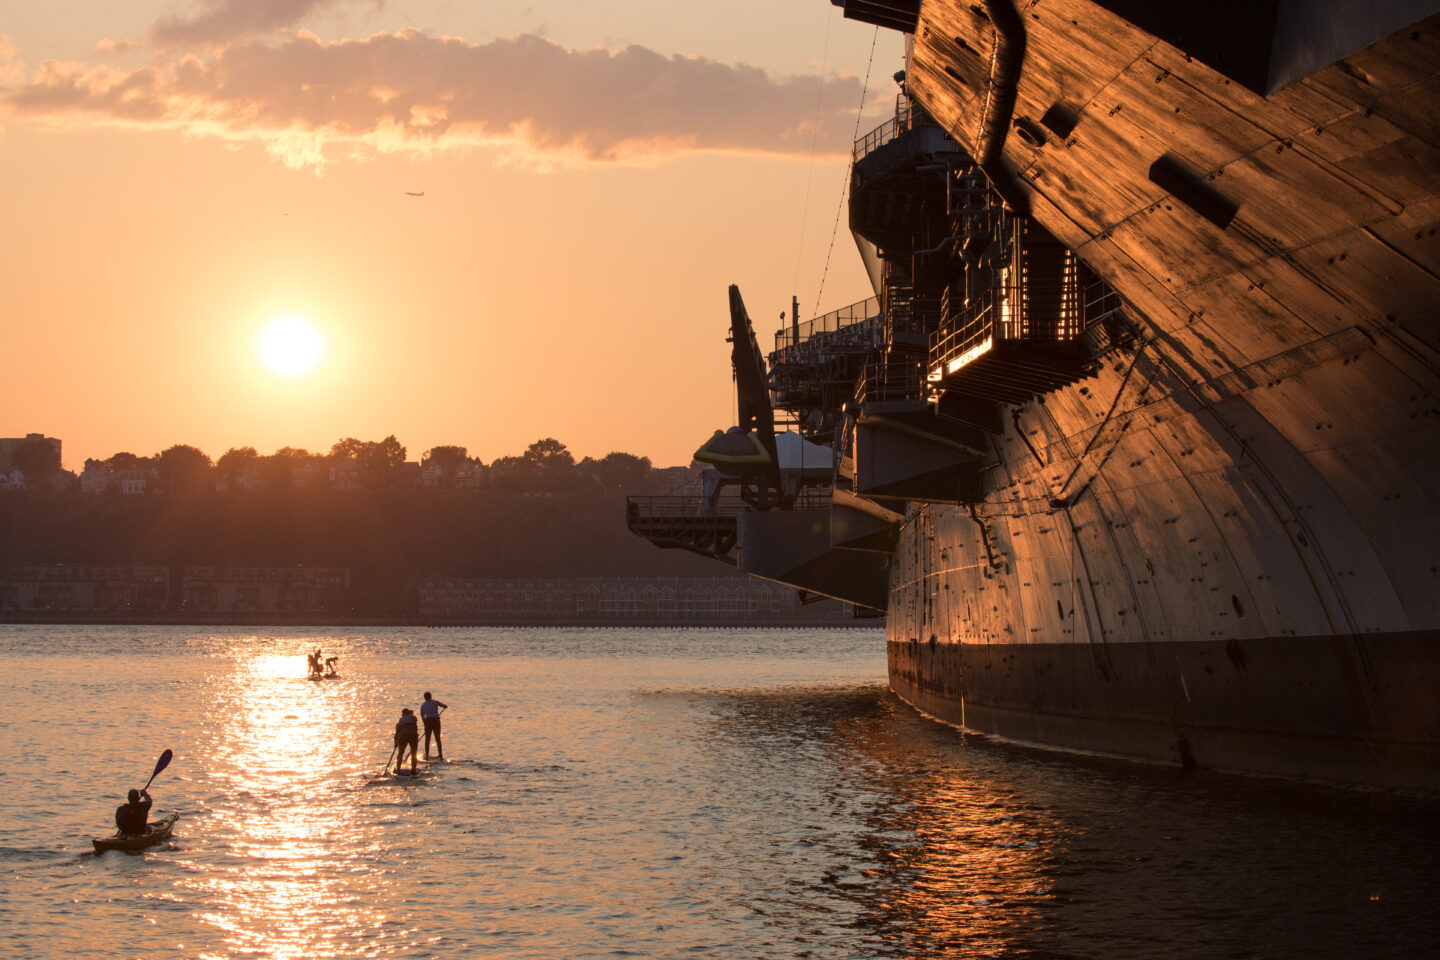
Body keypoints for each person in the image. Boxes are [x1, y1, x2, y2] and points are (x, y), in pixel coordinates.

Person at [420, 691, 448, 760]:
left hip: (428, 721)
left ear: (424, 698)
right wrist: (444, 706)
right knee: (438, 738)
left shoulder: (423, 705)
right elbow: (444, 706)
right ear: (430, 696)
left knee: (427, 739)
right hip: (436, 721)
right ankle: (440, 755)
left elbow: (422, 716)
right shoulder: (435, 702)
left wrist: (425, 724)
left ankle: (426, 755)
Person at [394, 707, 419, 775]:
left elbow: (397, 733)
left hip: (404, 735)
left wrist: (395, 743)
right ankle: (413, 770)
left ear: (402, 714)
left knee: (401, 753)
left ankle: (398, 769)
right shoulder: (413, 718)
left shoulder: (401, 720)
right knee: (414, 753)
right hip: (413, 735)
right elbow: (413, 716)